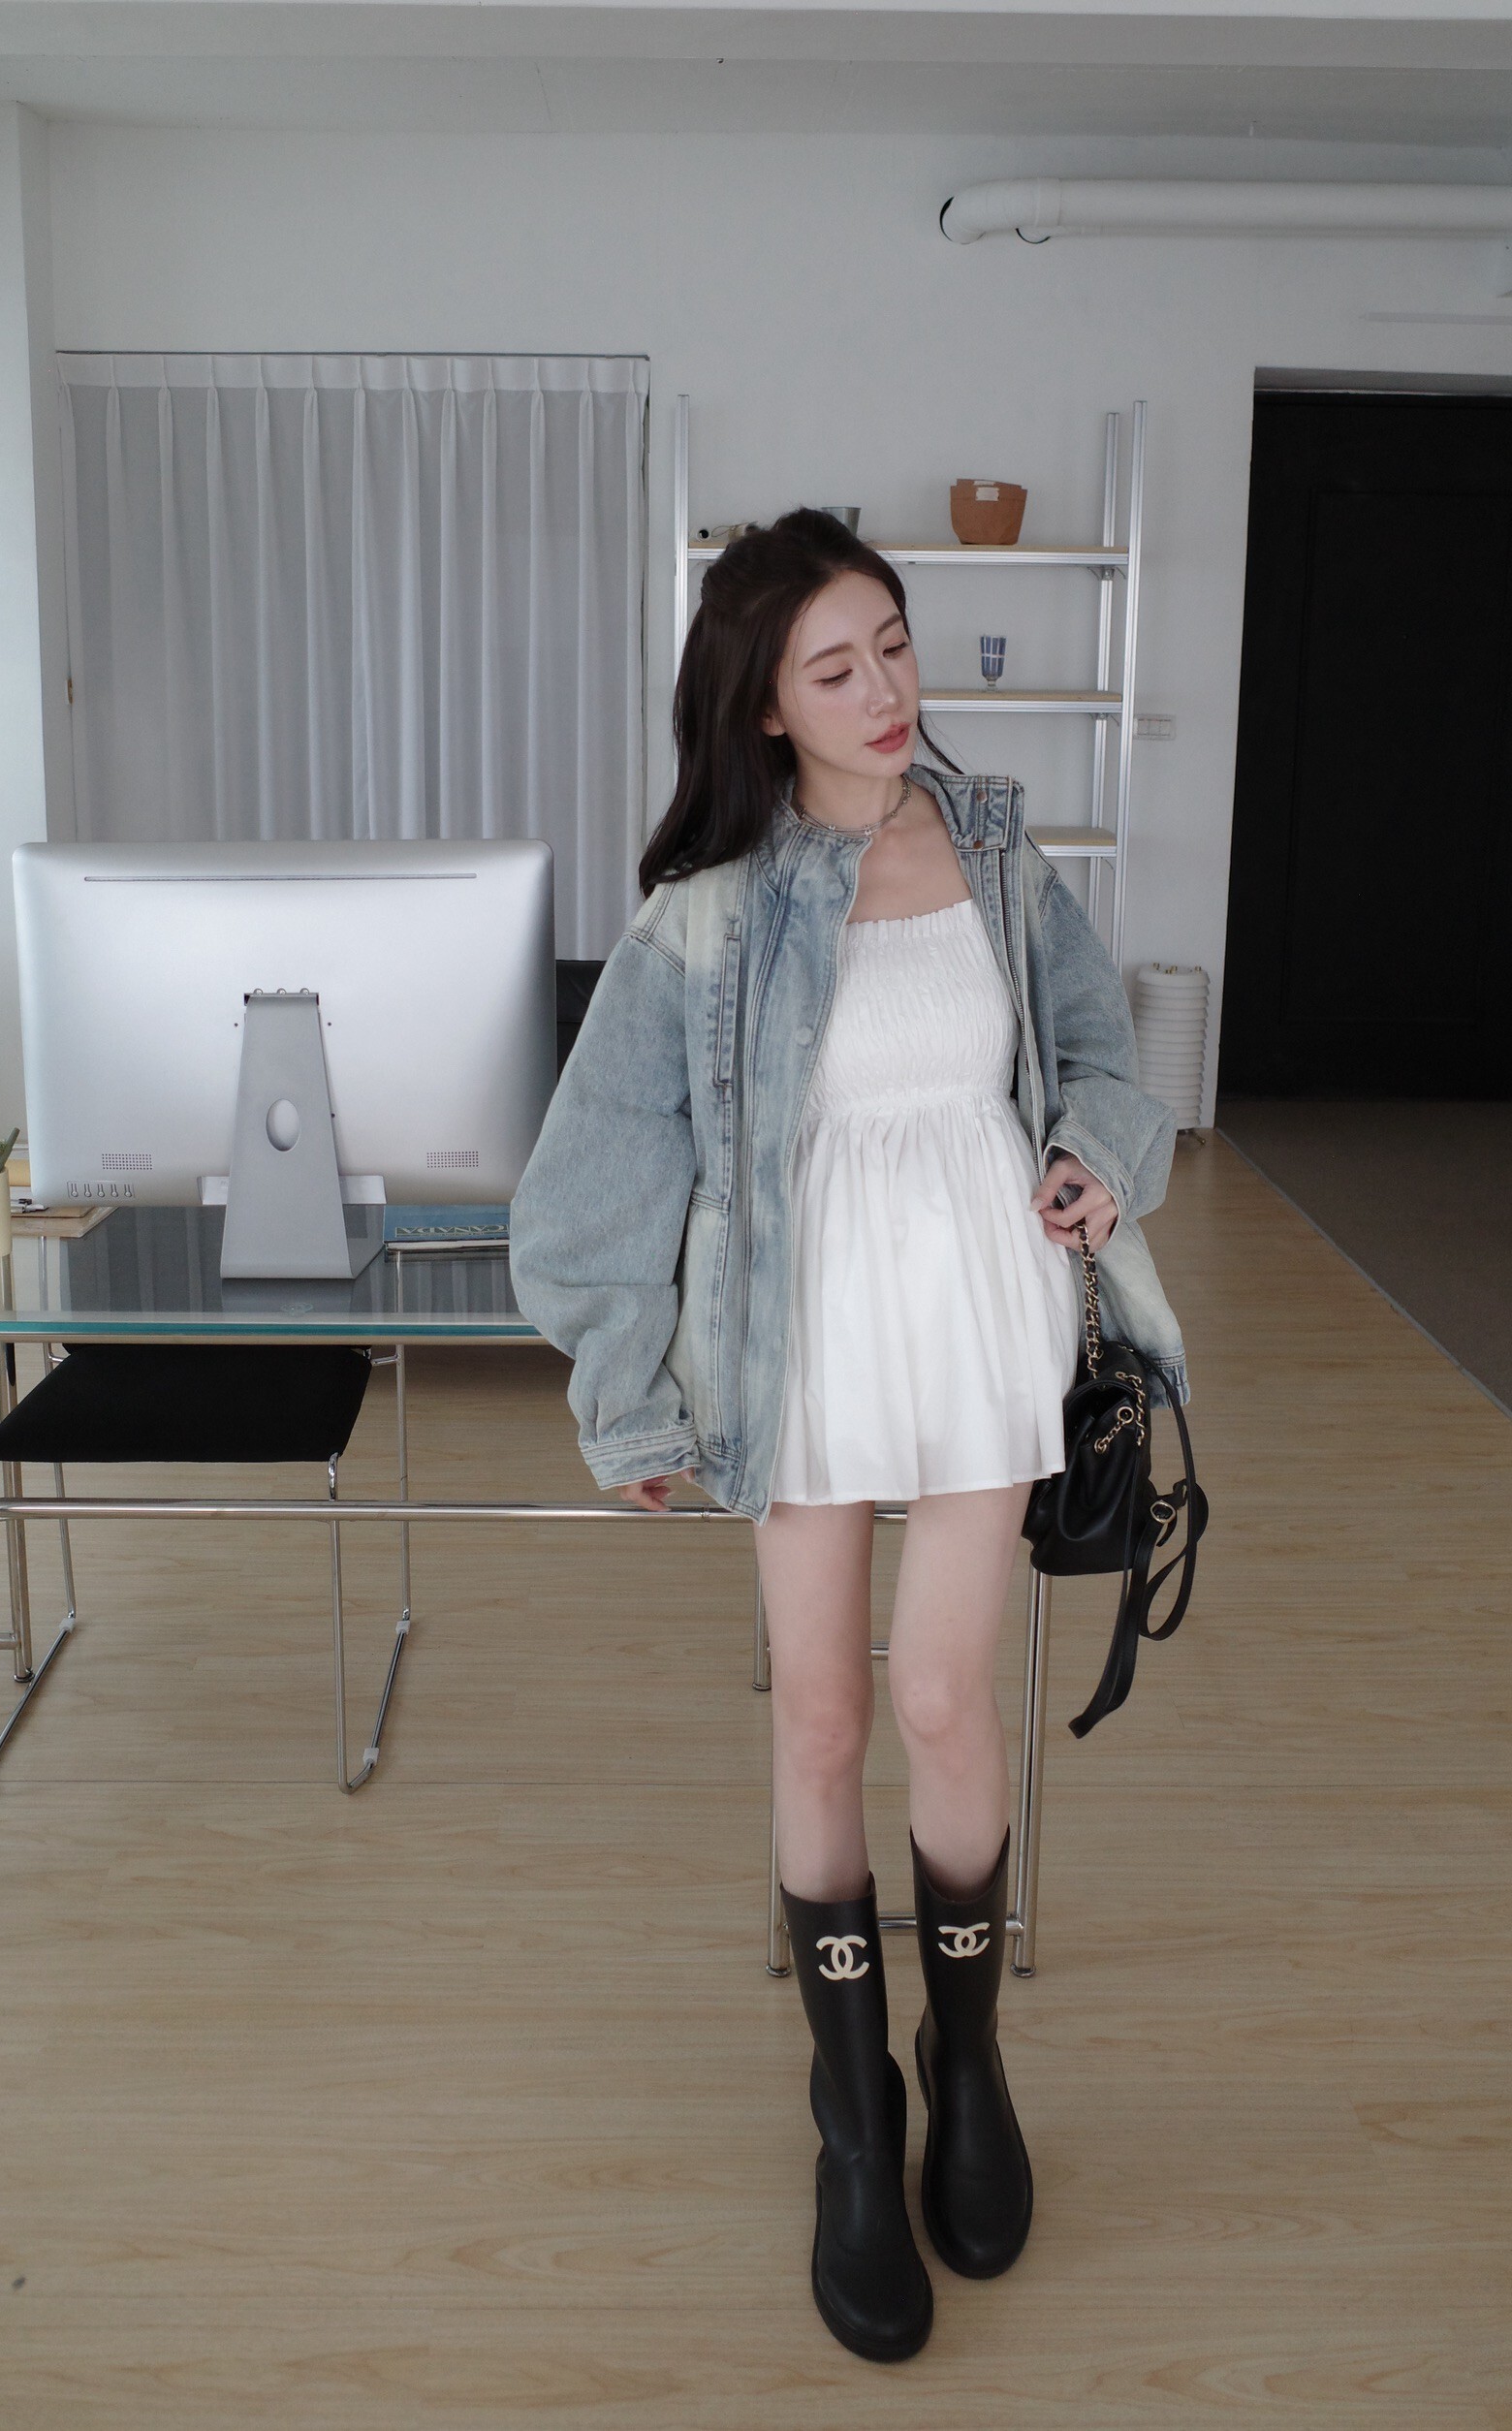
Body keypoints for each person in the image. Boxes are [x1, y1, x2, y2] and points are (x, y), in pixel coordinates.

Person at [509, 510, 1187, 2365]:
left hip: (981, 1313)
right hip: (795, 1337)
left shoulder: (993, 847)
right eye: (836, 667)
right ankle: (853, 2120)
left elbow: (1100, 1053)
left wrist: (1092, 1155)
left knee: (947, 1701)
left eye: (893, 643)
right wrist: (626, 1392)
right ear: (763, 709)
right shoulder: (705, 917)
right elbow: (586, 1186)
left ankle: (968, 2070)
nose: (885, 689)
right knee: (818, 1716)